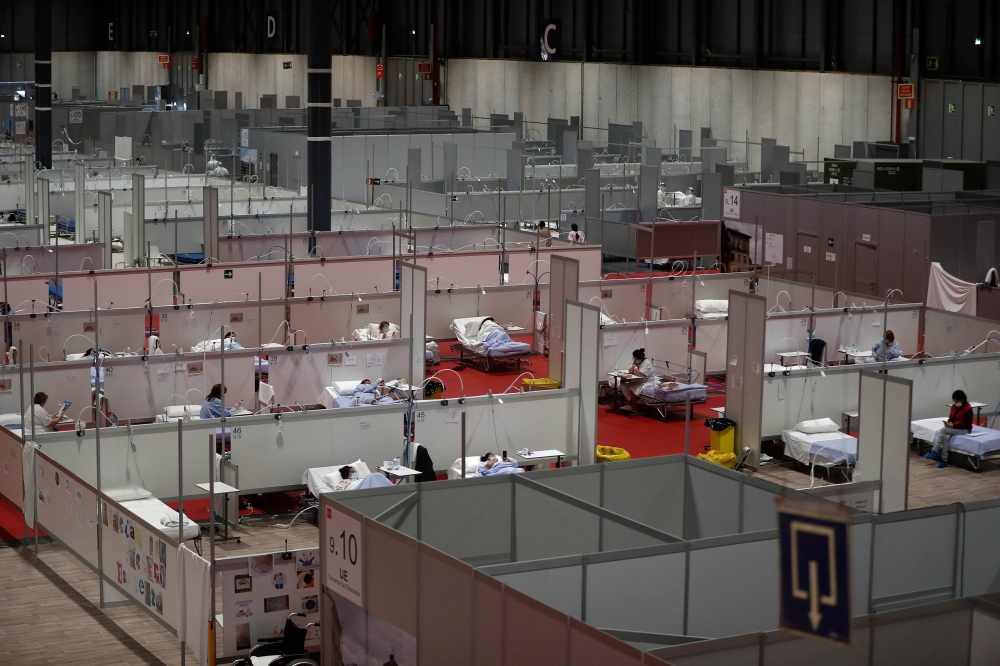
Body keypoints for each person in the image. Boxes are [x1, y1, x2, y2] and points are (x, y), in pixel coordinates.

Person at [925, 390, 974, 469]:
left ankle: (935, 450)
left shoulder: (968, 409)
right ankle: (944, 460)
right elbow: (951, 418)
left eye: (957, 401)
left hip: (964, 429)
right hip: (955, 427)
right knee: (946, 437)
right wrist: (948, 423)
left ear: (962, 400)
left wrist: (953, 426)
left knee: (944, 430)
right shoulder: (954, 407)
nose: (955, 403)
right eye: (954, 401)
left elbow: (967, 424)